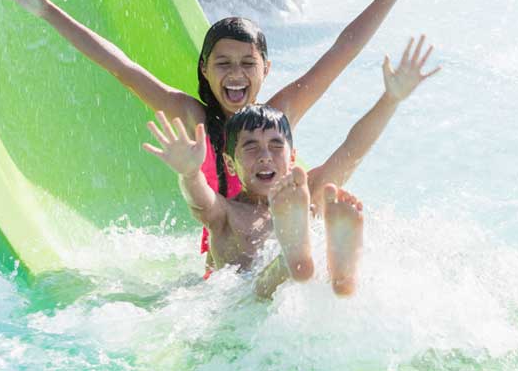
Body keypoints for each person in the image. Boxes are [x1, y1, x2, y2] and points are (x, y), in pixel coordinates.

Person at [0, 0, 444, 272]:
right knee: (270, 242)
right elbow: (122, 68)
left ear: (266, 68)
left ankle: (314, 257)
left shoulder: (279, 117)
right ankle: (305, 257)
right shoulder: (192, 117)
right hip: (226, 243)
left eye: (248, 63)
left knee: (319, 190)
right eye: (222, 63)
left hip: (277, 226)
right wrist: (47, 10)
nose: (236, 74)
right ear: (204, 69)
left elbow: (342, 50)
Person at [142, 35, 440, 297]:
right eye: (251, 147)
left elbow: (352, 149)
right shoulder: (224, 214)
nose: (265, 156)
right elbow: (198, 197)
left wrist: (391, 99)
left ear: (292, 157)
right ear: (230, 165)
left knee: (325, 280)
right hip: (247, 302)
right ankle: (296, 258)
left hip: (291, 300)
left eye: (275, 146)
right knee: (253, 289)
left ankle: (337, 269)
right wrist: (190, 172)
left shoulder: (305, 190)